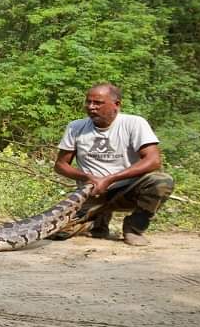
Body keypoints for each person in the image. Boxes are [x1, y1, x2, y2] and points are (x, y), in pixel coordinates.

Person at [53, 83, 174, 246]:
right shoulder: (75, 127)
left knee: (161, 181)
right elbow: (60, 165)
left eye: (98, 103)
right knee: (56, 231)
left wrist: (110, 179)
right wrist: (87, 177)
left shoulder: (134, 123)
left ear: (116, 104)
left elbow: (153, 161)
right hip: (92, 193)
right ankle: (97, 222)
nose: (91, 107)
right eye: (88, 102)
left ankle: (134, 228)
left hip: (127, 191)